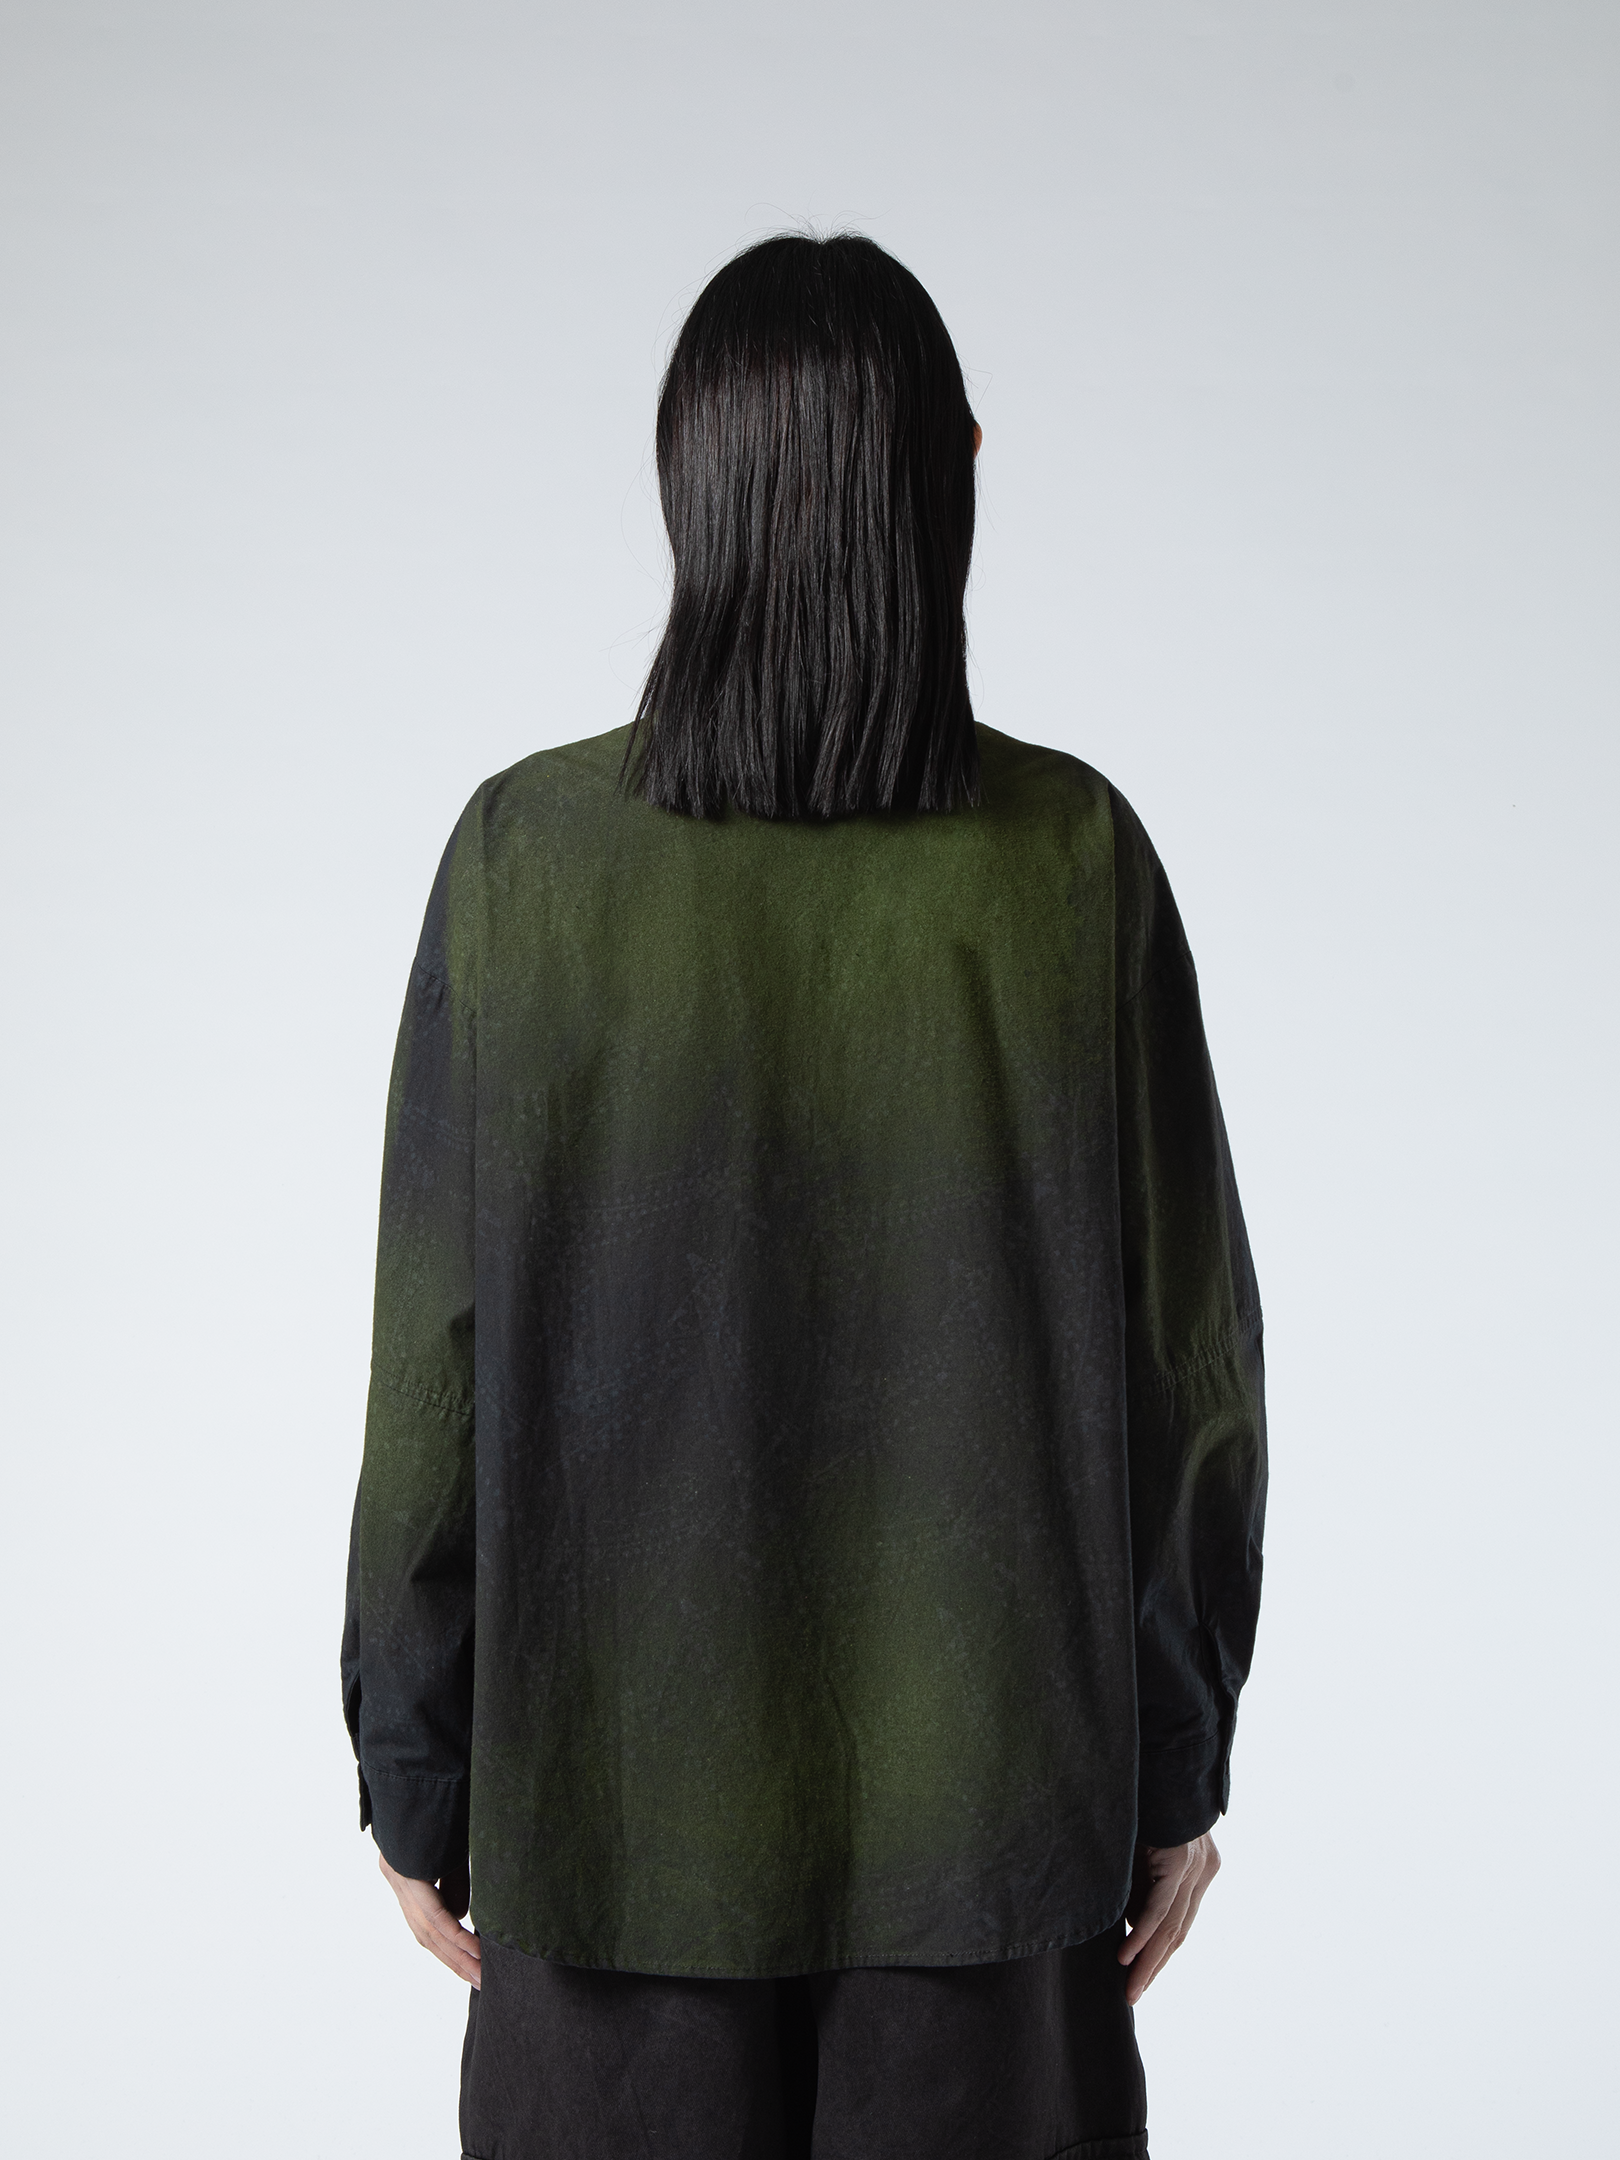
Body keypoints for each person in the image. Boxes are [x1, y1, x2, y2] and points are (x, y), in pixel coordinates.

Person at [342, 231, 1266, 2159]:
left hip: (609, 1837)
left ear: (687, 484)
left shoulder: (524, 863)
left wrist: (417, 1772)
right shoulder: (1074, 862)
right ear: (960, 473)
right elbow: (1192, 1376)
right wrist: (1176, 1765)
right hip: (992, 1850)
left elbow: (434, 1374)